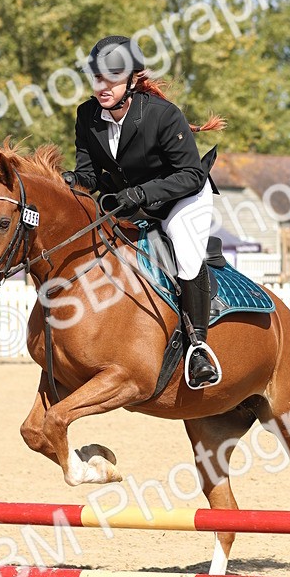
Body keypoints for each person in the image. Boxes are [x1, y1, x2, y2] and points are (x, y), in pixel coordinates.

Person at [62, 35, 222, 390]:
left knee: (185, 255)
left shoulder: (162, 115)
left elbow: (192, 174)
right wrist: (69, 180)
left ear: (132, 79)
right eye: (97, 78)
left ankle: (198, 348)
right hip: (129, 203)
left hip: (182, 199)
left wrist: (142, 193)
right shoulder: (87, 115)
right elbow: (89, 173)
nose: (102, 87)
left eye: (111, 78)